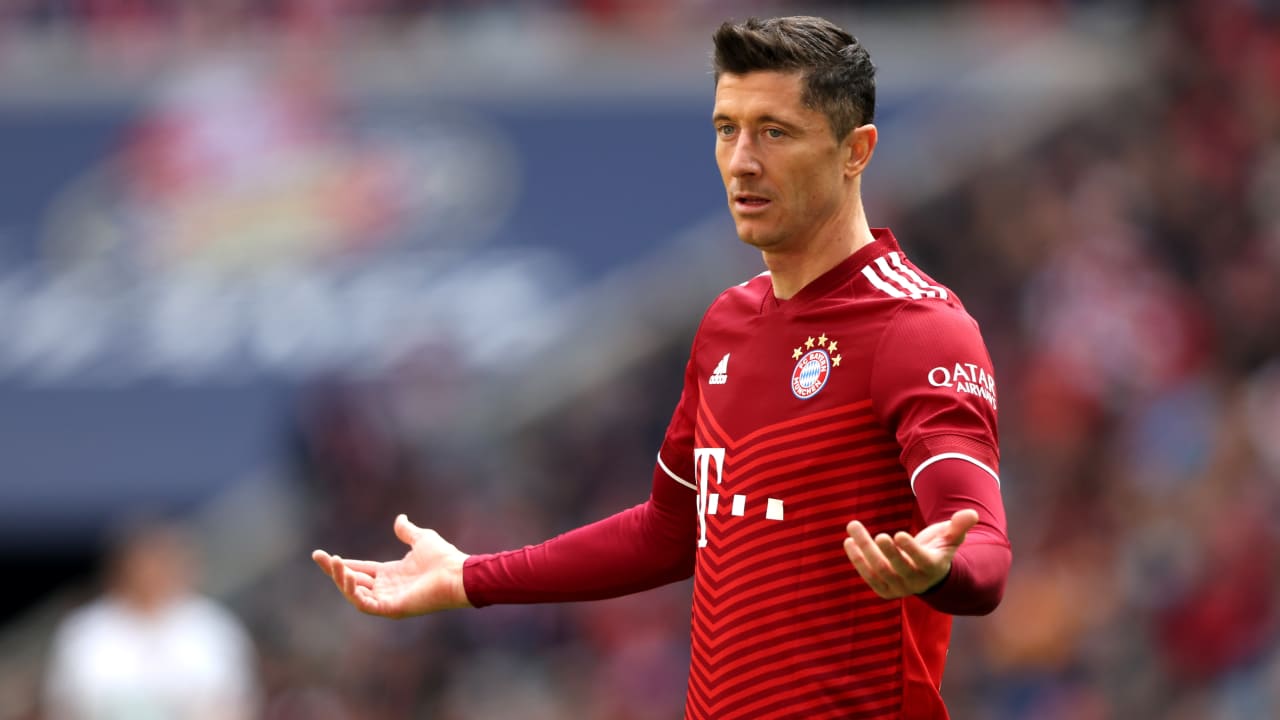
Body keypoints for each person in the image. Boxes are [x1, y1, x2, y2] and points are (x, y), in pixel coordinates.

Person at [313, 15, 1011, 720]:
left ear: (855, 151)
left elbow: (983, 547)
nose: (742, 161)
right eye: (727, 129)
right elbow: (667, 532)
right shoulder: (727, 324)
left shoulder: (918, 329)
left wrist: (940, 569)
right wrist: (469, 576)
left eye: (775, 132)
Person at [44, 520, 259, 720]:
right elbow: (64, 706)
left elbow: (237, 702)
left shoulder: (214, 627)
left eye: (162, 561)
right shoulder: (85, 630)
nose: (152, 572)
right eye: (144, 562)